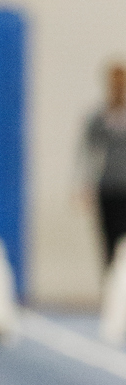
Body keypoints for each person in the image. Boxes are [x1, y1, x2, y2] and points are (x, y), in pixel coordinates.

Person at [81, 63, 126, 266]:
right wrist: (85, 182)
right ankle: (110, 282)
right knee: (108, 237)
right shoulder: (99, 117)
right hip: (108, 185)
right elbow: (86, 150)